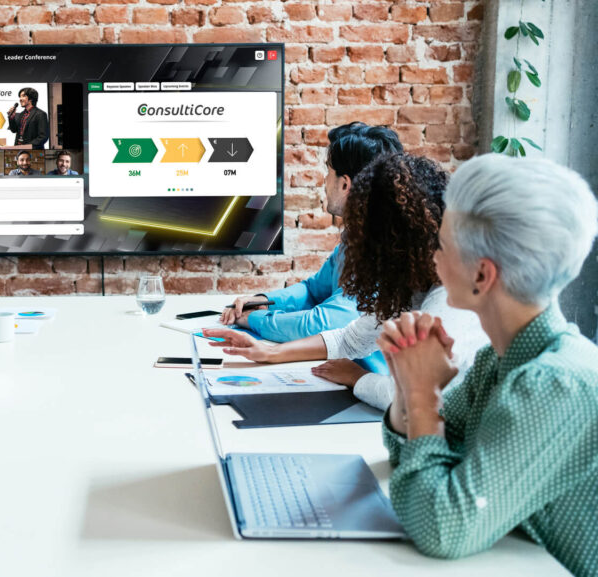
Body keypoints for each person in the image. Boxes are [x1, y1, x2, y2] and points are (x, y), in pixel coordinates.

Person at [373, 155, 598, 575]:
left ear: (482, 275)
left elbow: (442, 528)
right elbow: (417, 460)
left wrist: (424, 397)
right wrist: (407, 382)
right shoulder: (500, 361)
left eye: (441, 246)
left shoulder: (552, 383)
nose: (433, 258)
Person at [204, 154, 488, 411]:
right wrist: (270, 352)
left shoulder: (450, 301)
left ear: (393, 238)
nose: (355, 242)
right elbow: (353, 338)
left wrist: (358, 378)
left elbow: (410, 400)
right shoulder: (411, 283)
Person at [220, 122, 403, 375]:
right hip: (340, 374)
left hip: (370, 391)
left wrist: (251, 320)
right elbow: (313, 289)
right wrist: (262, 301)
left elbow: (321, 324)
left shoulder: (380, 251)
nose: (324, 180)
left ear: (345, 184)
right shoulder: (355, 238)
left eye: (329, 172)